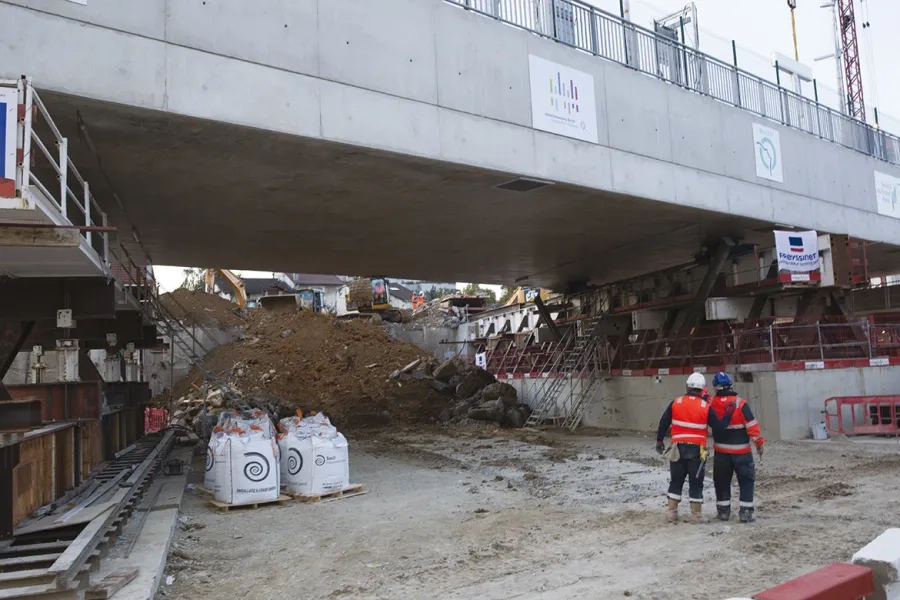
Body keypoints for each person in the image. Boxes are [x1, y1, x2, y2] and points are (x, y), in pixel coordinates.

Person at [656, 373, 735, 524]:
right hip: (697, 451)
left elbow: (664, 422)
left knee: (676, 480)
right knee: (696, 481)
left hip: (677, 448)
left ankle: (671, 513)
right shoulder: (706, 407)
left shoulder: (676, 402)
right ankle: (696, 516)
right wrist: (728, 415)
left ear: (687, 386)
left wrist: (659, 441)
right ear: (702, 389)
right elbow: (718, 429)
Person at [709, 372, 765, 523]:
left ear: (716, 388)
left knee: (721, 482)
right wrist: (759, 444)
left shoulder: (711, 402)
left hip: (721, 453)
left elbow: (701, 394)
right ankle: (746, 512)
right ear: (731, 385)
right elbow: (752, 426)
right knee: (746, 481)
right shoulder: (740, 404)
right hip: (742, 453)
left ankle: (723, 512)